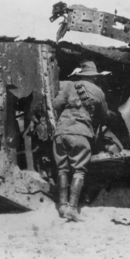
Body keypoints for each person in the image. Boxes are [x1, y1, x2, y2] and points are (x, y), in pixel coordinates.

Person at [52, 60, 110, 222]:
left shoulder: (70, 86)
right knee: (79, 171)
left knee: (62, 169)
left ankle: (62, 206)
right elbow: (104, 116)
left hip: (61, 132)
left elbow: (56, 104)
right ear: (95, 77)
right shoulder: (98, 92)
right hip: (81, 134)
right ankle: (72, 208)